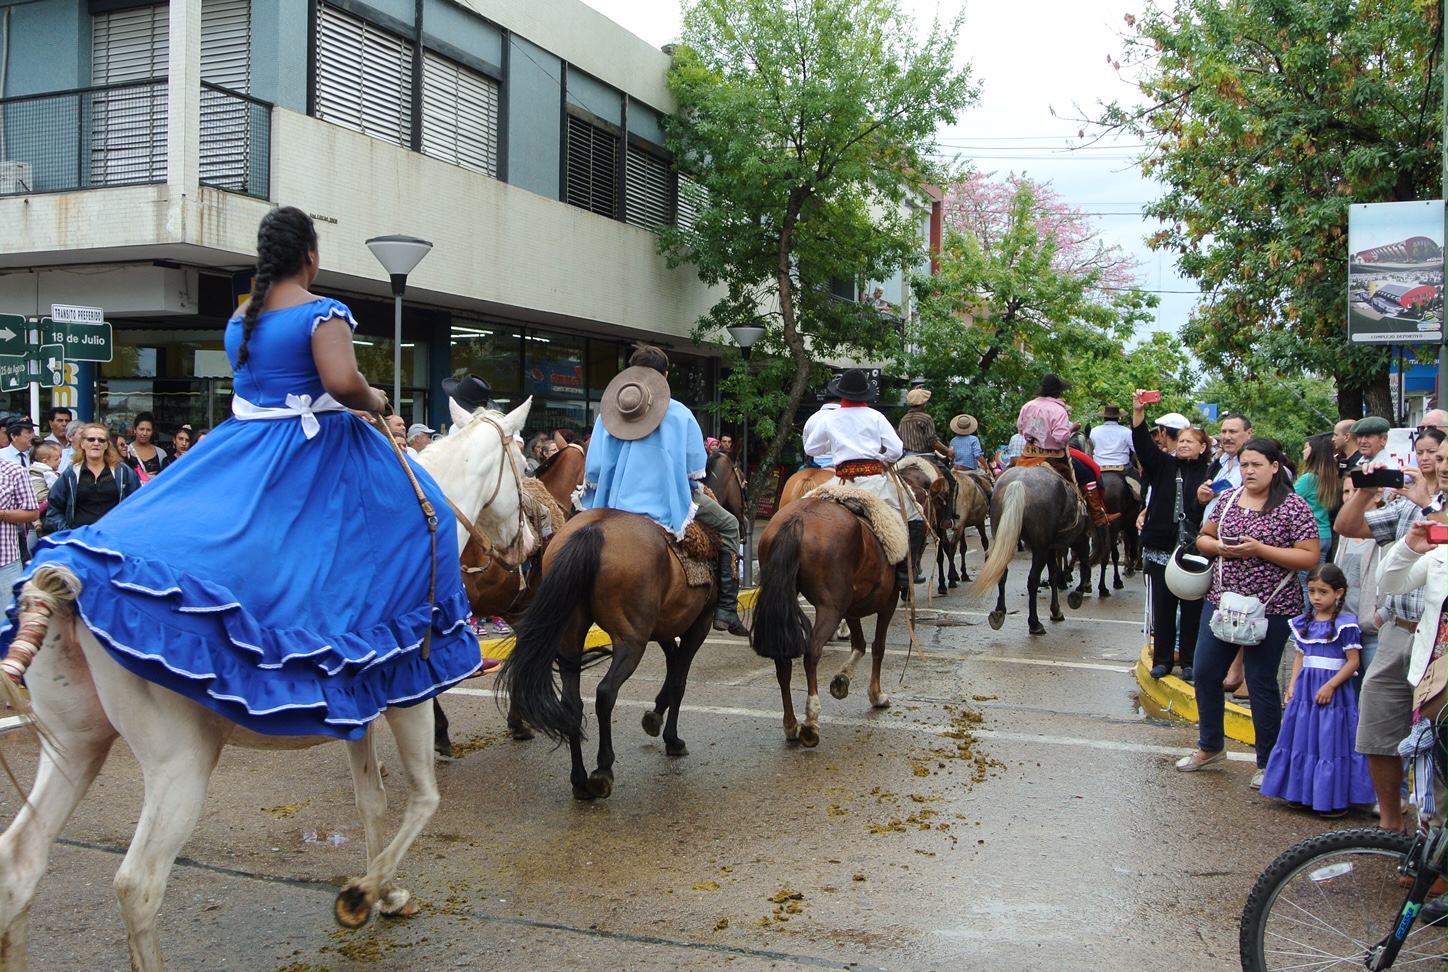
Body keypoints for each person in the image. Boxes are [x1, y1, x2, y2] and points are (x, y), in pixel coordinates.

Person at [10, 205, 482, 739]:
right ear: (310, 255)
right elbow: (341, 383)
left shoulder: (241, 320)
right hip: (315, 445)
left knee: (232, 535)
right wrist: (374, 397)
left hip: (247, 445)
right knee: (430, 517)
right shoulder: (322, 311)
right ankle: (398, 649)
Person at [1175, 438, 1321, 788]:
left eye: (1257, 464)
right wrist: (1219, 547)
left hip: (1273, 608)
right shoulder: (1226, 501)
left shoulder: (1293, 507)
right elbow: (1203, 539)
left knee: (1259, 680)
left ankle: (1268, 760)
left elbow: (1309, 556)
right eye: (1244, 465)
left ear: (1275, 467)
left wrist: (1261, 550)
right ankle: (1210, 746)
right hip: (1223, 603)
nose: (1249, 471)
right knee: (1207, 671)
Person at [577, 344, 748, 637]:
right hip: (665, 501)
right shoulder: (679, 413)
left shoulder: (610, 411)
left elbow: (592, 471)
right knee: (731, 525)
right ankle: (726, 609)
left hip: (613, 503)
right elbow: (696, 469)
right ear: (665, 376)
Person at [1335, 434, 1448, 832]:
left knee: (1437, 741)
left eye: (1441, 455)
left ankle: (1434, 845)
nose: (1438, 463)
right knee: (1378, 728)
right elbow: (1347, 527)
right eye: (1433, 454)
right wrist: (1366, 491)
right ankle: (1391, 826)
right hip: (1400, 632)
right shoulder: (1408, 502)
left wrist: (1428, 504)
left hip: (1441, 644)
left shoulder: (1424, 502)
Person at [1258, 562, 1374, 817]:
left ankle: (1331, 799)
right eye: (1312, 592)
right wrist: (1292, 686)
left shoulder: (1346, 625)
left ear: (1339, 593)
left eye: (1323, 592)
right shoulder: (1303, 623)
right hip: (1306, 691)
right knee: (1302, 738)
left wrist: (1331, 686)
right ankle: (1299, 792)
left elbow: (1353, 661)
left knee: (1328, 742)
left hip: (1332, 693)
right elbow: (1300, 656)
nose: (1316, 598)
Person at [803, 367, 923, 590]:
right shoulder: (875, 416)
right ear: (864, 394)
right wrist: (883, 457)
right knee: (915, 513)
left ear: (842, 393)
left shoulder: (830, 418)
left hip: (841, 483)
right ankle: (906, 573)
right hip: (873, 482)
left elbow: (812, 447)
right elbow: (897, 449)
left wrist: (835, 443)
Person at [1132, 398, 1210, 681]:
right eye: (1183, 440)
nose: (1185, 445)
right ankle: (1163, 658)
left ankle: (1189, 660)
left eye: (1192, 441)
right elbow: (1143, 446)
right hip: (1161, 547)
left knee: (1192, 608)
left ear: (1203, 447)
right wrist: (1138, 412)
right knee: (1162, 608)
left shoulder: (1210, 474)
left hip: (1195, 549)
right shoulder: (1163, 465)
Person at [1015, 373, 1110, 527]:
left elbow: (1020, 428)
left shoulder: (1028, 406)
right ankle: (1097, 515)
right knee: (1089, 475)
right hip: (1053, 456)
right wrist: (1072, 429)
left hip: (1028, 454)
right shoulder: (1058, 410)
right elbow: (1061, 438)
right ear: (1058, 392)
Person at [43, 422, 141, 533]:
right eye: (91, 439)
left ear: (107, 445)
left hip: (114, 539)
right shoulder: (71, 474)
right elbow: (54, 510)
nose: (96, 443)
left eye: (101, 440)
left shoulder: (123, 471)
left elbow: (137, 504)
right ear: (82, 444)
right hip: (80, 541)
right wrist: (68, 533)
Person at [1294, 433, 1341, 566]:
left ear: (1314, 451)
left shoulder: (1308, 478)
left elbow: (1288, 501)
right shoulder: (1329, 478)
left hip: (1310, 535)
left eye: (1306, 447)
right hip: (1325, 534)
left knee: (1305, 582)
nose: (1303, 451)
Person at [0, 457, 37, 610]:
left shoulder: (14, 471)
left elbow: (32, 512)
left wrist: (2, 514)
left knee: (7, 622)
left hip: (4, 562)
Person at [1091, 404, 1139, 500]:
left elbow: (1092, 446)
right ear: (1118, 418)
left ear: (1104, 418)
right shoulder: (1126, 432)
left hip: (1099, 468)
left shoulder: (1094, 431)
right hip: (1123, 469)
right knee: (1143, 486)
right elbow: (1136, 449)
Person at [123, 411, 169, 482]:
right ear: (134, 429)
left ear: (153, 431)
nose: (144, 433)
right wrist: (140, 476)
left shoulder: (160, 453)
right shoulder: (126, 451)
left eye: (148, 430)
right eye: (141, 429)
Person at [802, 396, 842, 469]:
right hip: (840, 463)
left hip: (816, 463)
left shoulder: (812, 418)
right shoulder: (844, 417)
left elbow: (806, 445)